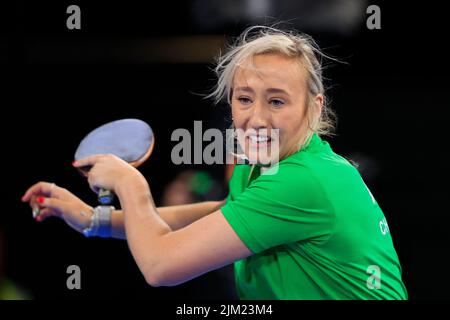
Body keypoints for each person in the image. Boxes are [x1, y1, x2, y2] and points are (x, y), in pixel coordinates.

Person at [21, 26, 407, 299]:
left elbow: (161, 267)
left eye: (276, 101)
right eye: (244, 99)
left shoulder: (304, 181)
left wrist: (130, 184)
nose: (255, 118)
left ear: (314, 106)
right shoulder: (265, 165)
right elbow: (216, 217)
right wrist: (94, 220)